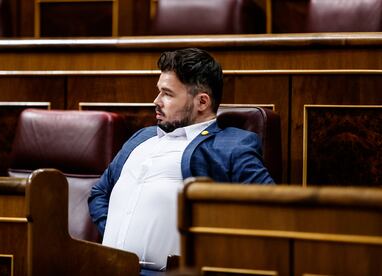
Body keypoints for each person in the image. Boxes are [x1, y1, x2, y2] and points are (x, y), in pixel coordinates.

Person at [88, 48, 274, 272]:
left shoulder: (233, 145)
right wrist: (118, 237)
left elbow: (268, 210)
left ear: (202, 102)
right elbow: (99, 193)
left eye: (167, 94)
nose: (156, 101)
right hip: (107, 268)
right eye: (159, 92)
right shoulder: (141, 138)